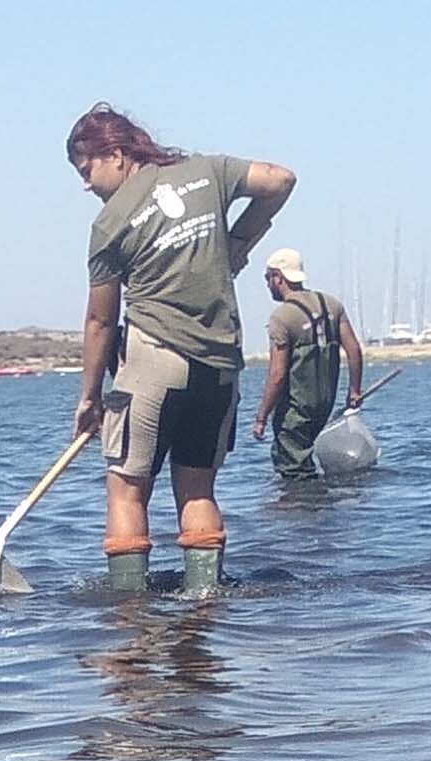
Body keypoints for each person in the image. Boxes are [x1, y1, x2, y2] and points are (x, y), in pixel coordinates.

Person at [67, 103, 296, 591]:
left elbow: (99, 320)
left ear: (115, 154)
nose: (86, 186)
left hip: (156, 363)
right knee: (196, 491)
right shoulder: (205, 172)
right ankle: (204, 605)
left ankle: (130, 616)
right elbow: (280, 180)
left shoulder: (110, 225)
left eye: (87, 172)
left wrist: (89, 397)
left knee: (127, 494)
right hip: (218, 369)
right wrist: (239, 241)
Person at [250, 248, 364, 478]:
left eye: (267, 278)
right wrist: (354, 391)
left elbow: (278, 374)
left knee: (294, 472)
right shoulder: (332, 305)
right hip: (324, 406)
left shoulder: (281, 318)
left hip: (296, 411)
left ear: (278, 277)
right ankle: (320, 507)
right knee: (308, 464)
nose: (267, 284)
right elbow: (354, 350)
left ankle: (301, 510)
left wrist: (261, 417)